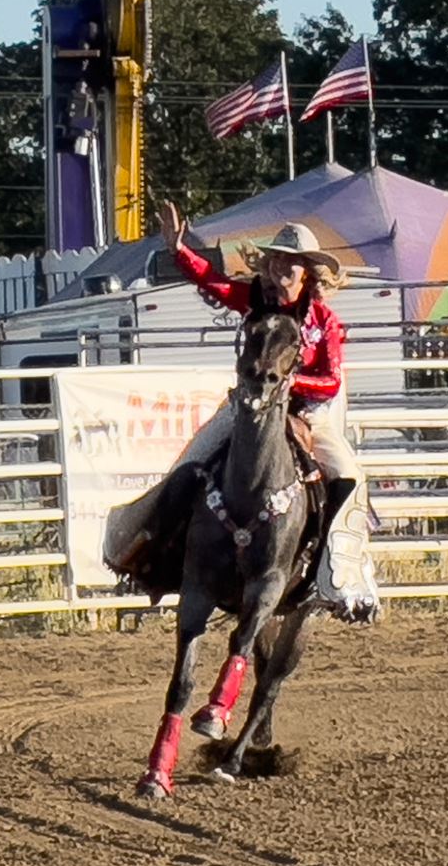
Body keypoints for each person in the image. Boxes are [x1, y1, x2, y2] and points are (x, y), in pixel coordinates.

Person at [102, 202, 380, 623]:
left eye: (290, 263)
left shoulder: (323, 321)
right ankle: (145, 548)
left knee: (349, 477)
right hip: (248, 406)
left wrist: (289, 384)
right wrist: (179, 251)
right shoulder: (254, 300)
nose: (280, 269)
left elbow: (332, 379)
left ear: (307, 271)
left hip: (308, 415)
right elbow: (214, 283)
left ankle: (339, 576)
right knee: (191, 463)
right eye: (276, 261)